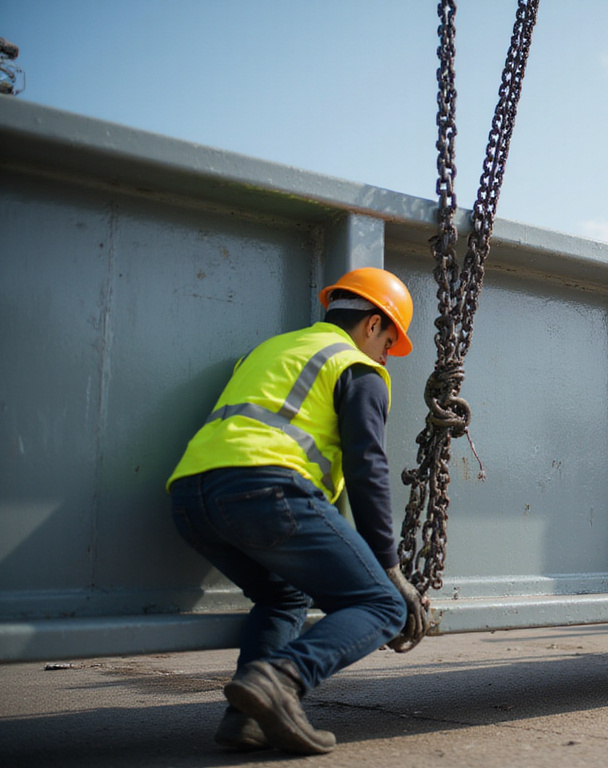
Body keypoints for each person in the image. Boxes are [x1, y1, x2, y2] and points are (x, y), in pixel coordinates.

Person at [167, 267, 428, 754]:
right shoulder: (358, 368)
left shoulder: (270, 350)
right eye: (390, 341)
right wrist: (389, 568)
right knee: (382, 605)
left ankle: (246, 718)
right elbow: (367, 465)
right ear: (372, 325)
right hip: (266, 491)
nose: (387, 354)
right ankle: (282, 681)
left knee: (285, 596)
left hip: (189, 499)